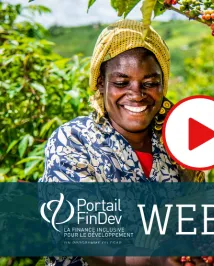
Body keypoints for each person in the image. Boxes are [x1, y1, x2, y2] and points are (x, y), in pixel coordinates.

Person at [40, 19, 205, 266]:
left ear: (163, 85)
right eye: (121, 83)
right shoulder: (75, 139)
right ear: (101, 84)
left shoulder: (176, 146)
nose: (137, 94)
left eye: (150, 83)